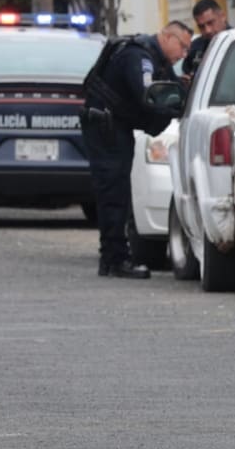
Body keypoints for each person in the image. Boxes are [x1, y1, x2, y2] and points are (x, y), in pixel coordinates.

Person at [81, 21, 193, 278]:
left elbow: (171, 90)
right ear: (166, 37)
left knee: (117, 191)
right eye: (183, 46)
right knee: (113, 192)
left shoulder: (155, 58)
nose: (184, 54)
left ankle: (114, 257)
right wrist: (171, 109)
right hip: (105, 127)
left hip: (112, 127)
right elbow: (148, 95)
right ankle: (114, 259)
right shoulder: (139, 57)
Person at [181, 0, 230, 81]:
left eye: (210, 23)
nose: (207, 30)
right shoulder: (195, 48)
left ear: (223, 16)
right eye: (201, 26)